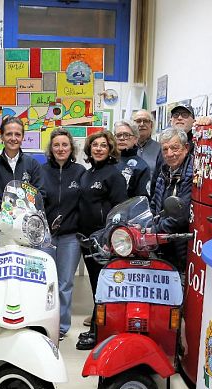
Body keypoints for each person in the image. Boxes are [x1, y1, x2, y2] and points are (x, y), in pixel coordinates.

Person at [76, 130, 127, 350]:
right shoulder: (87, 174)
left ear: (110, 149)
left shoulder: (114, 175)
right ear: (89, 149)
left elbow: (120, 212)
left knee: (103, 286)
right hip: (87, 239)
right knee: (96, 285)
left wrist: (109, 239)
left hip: (103, 242)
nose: (98, 149)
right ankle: (99, 327)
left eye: (103, 145)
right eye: (95, 145)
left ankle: (99, 332)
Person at [41, 128, 85, 336]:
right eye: (56, 145)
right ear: (51, 148)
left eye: (64, 145)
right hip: (44, 236)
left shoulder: (80, 172)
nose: (60, 149)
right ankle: (43, 321)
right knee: (45, 282)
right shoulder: (40, 171)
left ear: (71, 148)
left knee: (65, 283)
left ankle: (61, 326)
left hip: (70, 236)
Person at [151, 128, 194, 273]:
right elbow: (154, 203)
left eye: (174, 148)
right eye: (165, 149)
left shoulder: (191, 174)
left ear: (186, 148)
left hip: (180, 247)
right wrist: (147, 224)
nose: (169, 154)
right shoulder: (164, 170)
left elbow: (180, 216)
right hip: (162, 243)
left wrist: (154, 231)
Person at [0, 116, 45, 211]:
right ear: (2, 136)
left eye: (18, 134)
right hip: (1, 217)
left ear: (22, 137)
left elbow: (40, 195)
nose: (13, 138)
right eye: (9, 134)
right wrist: (8, 209)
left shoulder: (33, 165)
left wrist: (24, 210)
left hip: (27, 218)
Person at [151, 104, 195, 200]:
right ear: (171, 120)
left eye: (184, 115)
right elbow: (156, 178)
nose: (179, 118)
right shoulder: (164, 144)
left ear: (193, 121)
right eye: (176, 115)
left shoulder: (199, 143)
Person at [113, 120, 151, 198]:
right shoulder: (106, 160)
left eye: (126, 135)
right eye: (118, 135)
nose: (122, 138)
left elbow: (142, 199)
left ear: (135, 139)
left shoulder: (141, 167)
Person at [132, 109, 162, 176]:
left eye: (145, 121)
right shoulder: (127, 148)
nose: (142, 124)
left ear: (151, 125)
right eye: (138, 121)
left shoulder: (160, 148)